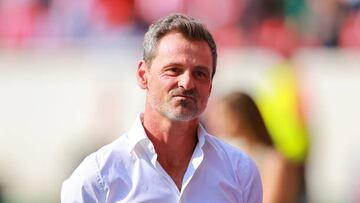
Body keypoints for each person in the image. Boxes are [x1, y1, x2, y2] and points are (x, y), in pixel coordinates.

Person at [61, 13, 262, 203]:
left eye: (200, 73)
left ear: (210, 86)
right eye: (173, 70)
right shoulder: (96, 177)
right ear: (143, 75)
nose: (187, 83)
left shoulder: (240, 172)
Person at [205, 92, 302, 203]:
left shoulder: (275, 160)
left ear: (241, 117)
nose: (215, 122)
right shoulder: (221, 159)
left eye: (221, 115)